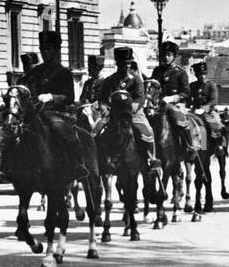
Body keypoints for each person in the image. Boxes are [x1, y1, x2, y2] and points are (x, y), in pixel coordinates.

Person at [22, 30, 85, 175]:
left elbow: (69, 97)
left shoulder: (64, 72)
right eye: (42, 49)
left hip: (56, 113)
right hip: (34, 112)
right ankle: (10, 166)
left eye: (48, 49)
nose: (45, 52)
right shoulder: (36, 71)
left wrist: (51, 96)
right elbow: (27, 89)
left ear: (56, 50)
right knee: (13, 130)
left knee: (60, 130)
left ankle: (76, 164)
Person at [95, 46, 158, 169]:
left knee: (148, 131)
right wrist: (103, 108)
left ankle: (152, 159)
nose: (127, 66)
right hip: (113, 114)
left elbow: (140, 98)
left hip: (133, 114)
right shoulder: (110, 80)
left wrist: (132, 108)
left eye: (129, 63)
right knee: (95, 130)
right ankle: (96, 159)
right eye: (124, 63)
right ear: (117, 64)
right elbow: (102, 98)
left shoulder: (136, 80)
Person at [151, 41, 192, 154]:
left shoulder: (180, 73)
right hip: (158, 104)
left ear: (174, 56)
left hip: (176, 104)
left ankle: (189, 146)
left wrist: (173, 98)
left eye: (169, 55)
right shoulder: (157, 71)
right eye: (164, 54)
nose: (166, 57)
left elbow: (186, 92)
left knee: (179, 120)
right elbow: (152, 87)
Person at [187, 60, 223, 150]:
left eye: (203, 74)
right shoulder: (192, 86)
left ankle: (219, 145)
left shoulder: (211, 85)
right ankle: (195, 146)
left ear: (206, 74)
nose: (201, 76)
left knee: (216, 124)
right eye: (199, 74)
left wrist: (204, 108)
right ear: (196, 75)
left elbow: (214, 101)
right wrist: (188, 106)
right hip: (194, 111)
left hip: (209, 111)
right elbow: (188, 99)